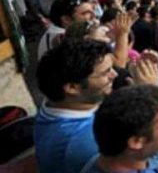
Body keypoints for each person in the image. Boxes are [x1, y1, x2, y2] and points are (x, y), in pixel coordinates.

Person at [34, 39, 117, 173]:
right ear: (72, 87)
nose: (114, 75)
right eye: (105, 72)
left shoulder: (54, 104)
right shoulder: (90, 141)